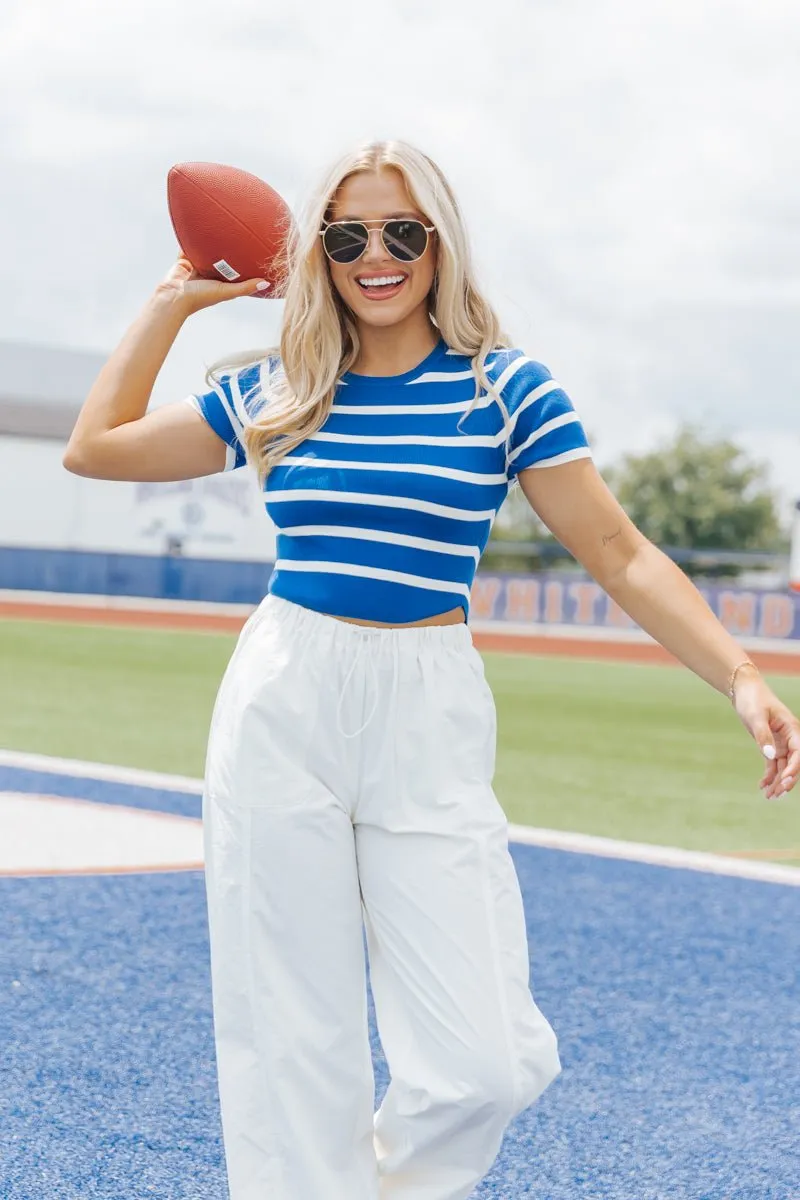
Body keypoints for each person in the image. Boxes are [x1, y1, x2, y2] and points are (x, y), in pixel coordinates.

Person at [64, 139, 800, 1200]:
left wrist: (739, 675)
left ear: (439, 246)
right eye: (348, 237)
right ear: (318, 253)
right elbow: (95, 446)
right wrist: (175, 301)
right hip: (285, 694)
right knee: (290, 1034)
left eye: (402, 233)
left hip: (427, 703)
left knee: (486, 1064)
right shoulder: (281, 389)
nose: (377, 256)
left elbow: (618, 552)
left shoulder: (506, 389)